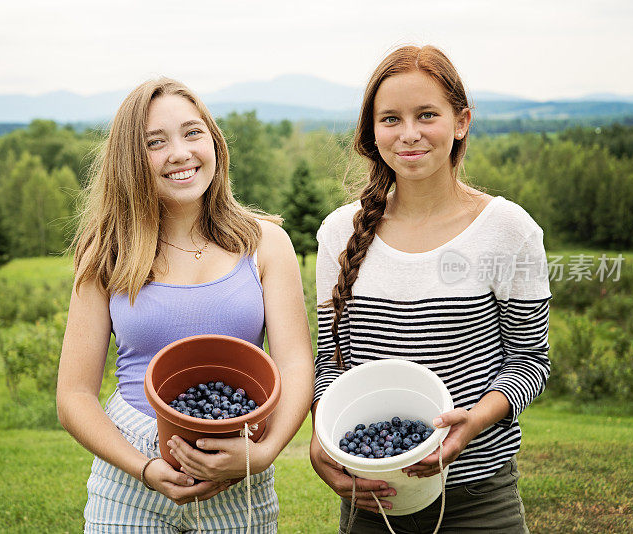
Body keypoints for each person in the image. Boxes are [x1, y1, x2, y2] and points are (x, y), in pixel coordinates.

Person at [309, 45, 551, 533]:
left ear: (460, 122)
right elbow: (330, 363)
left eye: (427, 115)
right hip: (373, 495)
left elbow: (531, 362)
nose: (409, 134)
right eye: (391, 119)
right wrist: (324, 430)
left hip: (480, 498)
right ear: (372, 131)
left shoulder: (508, 230)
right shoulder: (339, 232)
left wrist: (473, 423)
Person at [57, 78, 314, 533]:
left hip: (240, 465)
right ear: (131, 160)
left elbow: (295, 364)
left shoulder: (265, 244)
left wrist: (263, 453)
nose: (180, 152)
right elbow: (74, 397)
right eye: (156, 142)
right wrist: (143, 467)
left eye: (193, 133)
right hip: (131, 469)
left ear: (214, 141)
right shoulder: (106, 252)